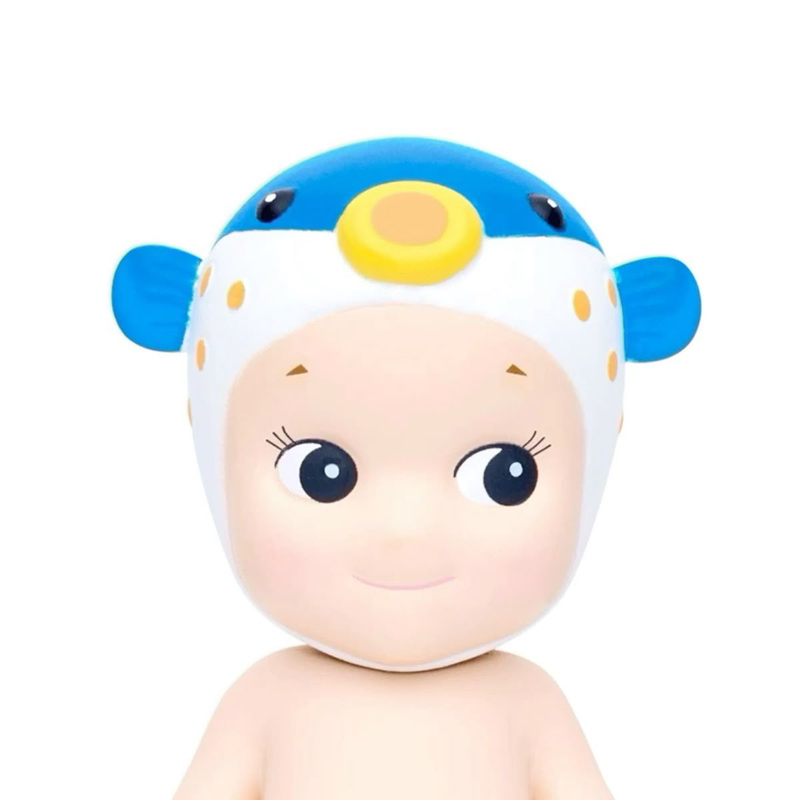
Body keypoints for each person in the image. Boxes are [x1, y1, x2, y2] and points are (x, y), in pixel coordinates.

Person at [111, 137, 701, 799]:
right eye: (321, 473)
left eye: (505, 475)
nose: (405, 529)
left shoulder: (532, 706)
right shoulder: (261, 702)